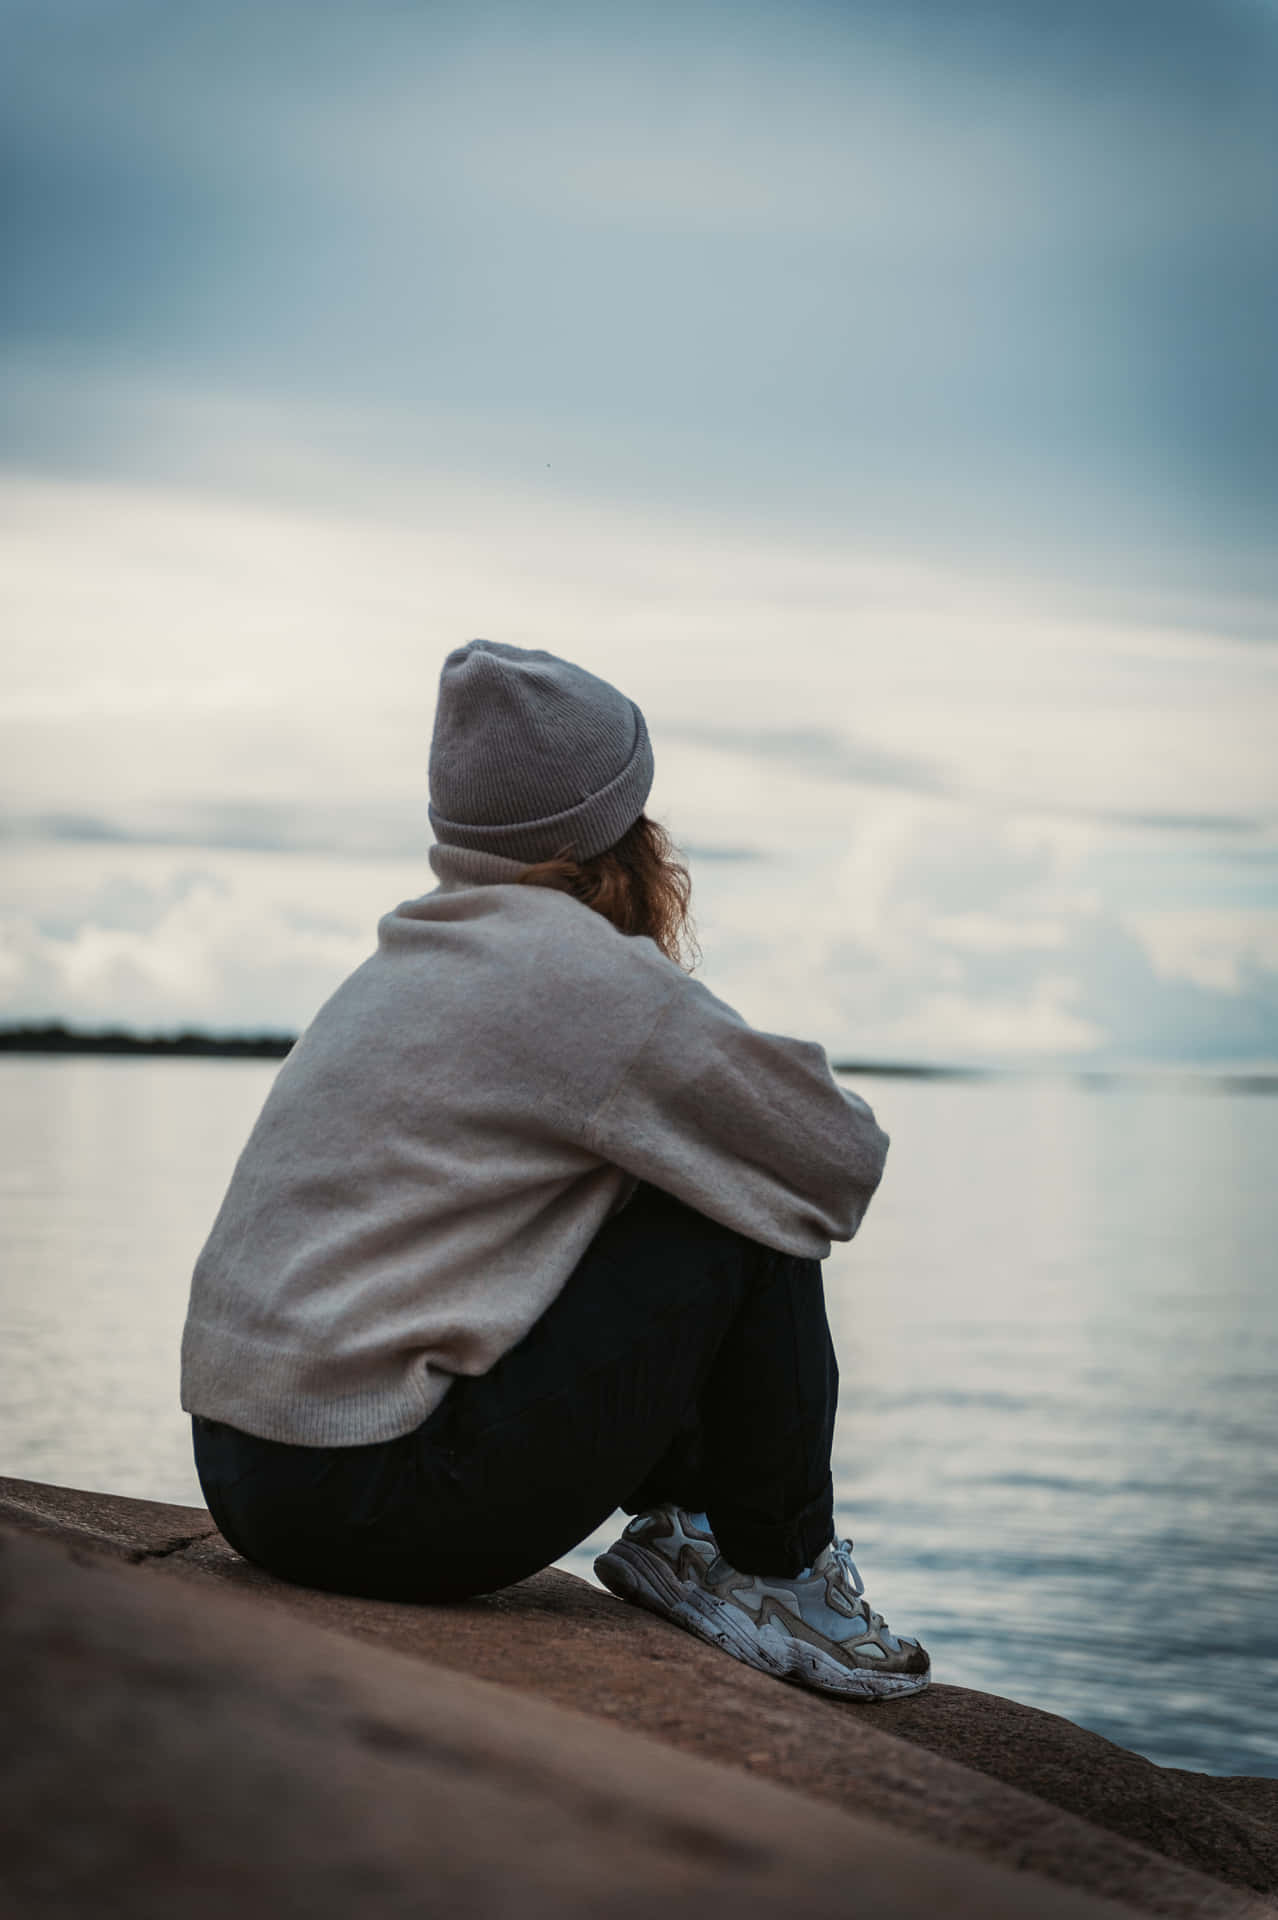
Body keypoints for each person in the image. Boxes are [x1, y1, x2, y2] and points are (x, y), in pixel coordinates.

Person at [182, 639, 929, 1700]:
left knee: (671, 1174)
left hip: (247, 1477)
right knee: (748, 1208)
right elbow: (835, 1162)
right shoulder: (577, 976)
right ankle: (775, 1570)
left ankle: (692, 1531)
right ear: (618, 828)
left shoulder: (404, 957)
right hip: (375, 1501)